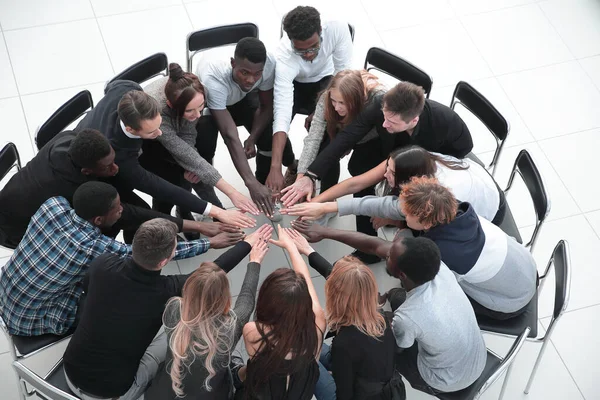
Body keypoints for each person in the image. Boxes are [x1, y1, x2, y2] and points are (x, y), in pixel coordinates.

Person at [63, 220, 273, 400]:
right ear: (165, 260)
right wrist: (249, 248)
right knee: (172, 340)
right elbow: (212, 275)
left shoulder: (102, 264)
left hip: (69, 371)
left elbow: (87, 290)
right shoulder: (168, 295)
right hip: (114, 393)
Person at [0, 182, 243, 337]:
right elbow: (148, 253)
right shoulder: (92, 247)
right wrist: (209, 243)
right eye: (117, 210)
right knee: (110, 286)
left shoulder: (53, 205)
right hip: (29, 318)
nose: (122, 211)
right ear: (97, 220)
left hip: (5, 287)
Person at [281, 82, 473, 257]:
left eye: (391, 122)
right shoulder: (384, 104)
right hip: (399, 145)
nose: (383, 124)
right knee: (359, 167)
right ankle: (368, 238)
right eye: (384, 117)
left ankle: (392, 230)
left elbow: (412, 189)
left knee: (402, 203)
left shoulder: (435, 130)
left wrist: (393, 216)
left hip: (435, 155)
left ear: (413, 121)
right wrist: (311, 179)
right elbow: (348, 141)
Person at [0, 129, 233, 246]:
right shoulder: (74, 189)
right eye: (108, 166)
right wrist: (199, 227)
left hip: (22, 194)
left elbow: (139, 189)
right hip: (16, 228)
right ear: (87, 172)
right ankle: (141, 254)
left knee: (137, 205)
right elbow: (130, 212)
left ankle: (146, 241)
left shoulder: (72, 140)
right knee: (119, 223)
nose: (115, 168)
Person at [75, 79, 256, 229]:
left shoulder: (127, 89)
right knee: (144, 210)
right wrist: (217, 211)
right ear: (131, 128)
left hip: (125, 143)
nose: (159, 133)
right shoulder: (119, 157)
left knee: (183, 171)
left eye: (159, 125)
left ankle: (183, 212)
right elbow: (159, 187)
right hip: (95, 165)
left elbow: (112, 85)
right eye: (151, 132)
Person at [145, 226, 273, 400]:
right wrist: (255, 261)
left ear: (187, 289)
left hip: (164, 392)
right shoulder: (230, 328)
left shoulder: (174, 308)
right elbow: (247, 300)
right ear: (224, 297)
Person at [394, 176, 537, 320]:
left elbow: (424, 285)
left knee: (426, 298)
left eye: (407, 213)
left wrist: (403, 240)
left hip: (512, 302)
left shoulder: (443, 252)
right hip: (526, 268)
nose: (403, 213)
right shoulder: (454, 208)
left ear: (425, 223)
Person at [282, 144, 505, 227]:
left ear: (410, 178)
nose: (385, 174)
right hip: (478, 177)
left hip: (486, 208)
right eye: (387, 167)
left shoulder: (431, 195)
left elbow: (376, 205)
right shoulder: (410, 159)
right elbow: (357, 183)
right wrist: (315, 201)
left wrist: (390, 218)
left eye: (391, 173)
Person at [143, 63, 259, 217]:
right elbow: (180, 150)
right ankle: (171, 218)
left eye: (201, 107)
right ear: (172, 105)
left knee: (196, 168)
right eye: (190, 110)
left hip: (173, 133)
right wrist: (232, 193)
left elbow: (188, 134)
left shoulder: (198, 90)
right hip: (149, 145)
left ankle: (192, 210)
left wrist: (192, 164)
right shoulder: (157, 112)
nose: (198, 115)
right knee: (169, 187)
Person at [267, 6, 353, 195]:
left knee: (328, 136)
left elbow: (343, 74)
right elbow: (281, 115)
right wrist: (275, 167)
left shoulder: (337, 27)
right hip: (297, 83)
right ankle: (286, 170)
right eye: (300, 50)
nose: (307, 54)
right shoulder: (283, 58)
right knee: (269, 130)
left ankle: (325, 196)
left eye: (313, 47)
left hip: (328, 80)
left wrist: (321, 110)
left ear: (321, 31)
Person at [238, 225, 326, 400]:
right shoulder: (318, 324)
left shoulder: (254, 331)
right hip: (300, 391)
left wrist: (254, 261)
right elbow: (306, 282)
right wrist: (292, 248)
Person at [194, 38, 278, 215]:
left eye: (257, 74)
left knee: (267, 134)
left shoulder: (268, 64)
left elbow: (266, 106)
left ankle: (268, 180)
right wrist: (250, 182)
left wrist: (252, 138)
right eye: (244, 72)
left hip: (239, 95)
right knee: (204, 147)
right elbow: (229, 134)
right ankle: (209, 203)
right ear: (233, 64)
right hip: (210, 102)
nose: (251, 79)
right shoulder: (213, 77)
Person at [280, 70, 385, 207]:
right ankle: (326, 199)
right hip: (340, 129)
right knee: (323, 155)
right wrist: (301, 177)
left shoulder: (377, 100)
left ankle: (369, 207)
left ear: (357, 98)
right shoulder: (326, 99)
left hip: (369, 137)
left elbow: (382, 131)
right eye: (333, 101)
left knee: (358, 169)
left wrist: (348, 144)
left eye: (342, 102)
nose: (336, 107)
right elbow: (313, 138)